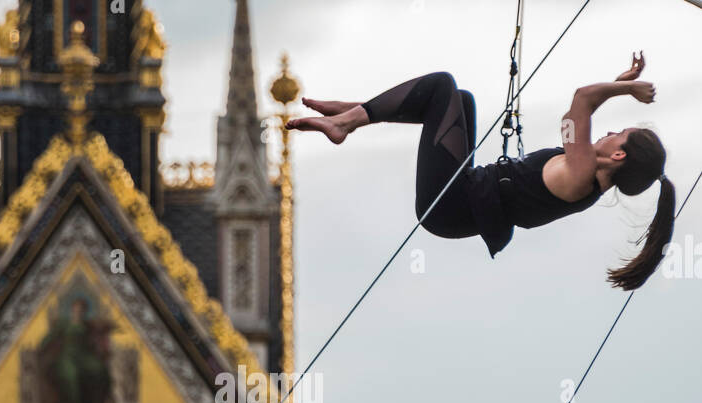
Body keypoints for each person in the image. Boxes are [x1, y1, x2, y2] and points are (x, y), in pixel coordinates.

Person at [286, 52, 675, 290]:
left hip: (450, 206)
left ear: (620, 156)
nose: (609, 132)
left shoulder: (580, 175)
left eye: (619, 133)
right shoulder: (586, 171)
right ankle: (358, 112)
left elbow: (581, 100)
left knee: (442, 86)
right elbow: (579, 114)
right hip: (466, 191)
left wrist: (623, 90)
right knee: (458, 101)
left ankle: (348, 122)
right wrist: (618, 83)